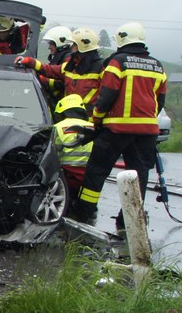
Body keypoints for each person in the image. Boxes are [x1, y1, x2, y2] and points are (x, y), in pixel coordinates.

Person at [68, 22, 168, 226]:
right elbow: (160, 101)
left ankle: (85, 212)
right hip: (147, 132)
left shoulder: (117, 63)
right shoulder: (157, 66)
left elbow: (106, 96)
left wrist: (96, 120)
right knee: (138, 176)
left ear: (121, 39)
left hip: (116, 130)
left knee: (97, 171)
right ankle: (129, 220)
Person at [15, 27, 103, 106]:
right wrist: (31, 62)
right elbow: (51, 70)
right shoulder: (72, 64)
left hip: (89, 121)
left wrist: (43, 80)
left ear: (83, 46)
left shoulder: (101, 68)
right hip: (68, 116)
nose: (71, 47)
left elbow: (106, 96)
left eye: (74, 45)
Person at [51, 94, 95, 198]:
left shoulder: (56, 127)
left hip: (65, 178)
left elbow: (51, 155)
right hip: (91, 177)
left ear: (61, 113)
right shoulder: (95, 128)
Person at [34, 25, 74, 104]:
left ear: (60, 42)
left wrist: (44, 80)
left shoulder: (68, 59)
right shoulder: (60, 57)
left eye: (51, 44)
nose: (49, 47)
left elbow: (64, 83)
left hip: (61, 101)